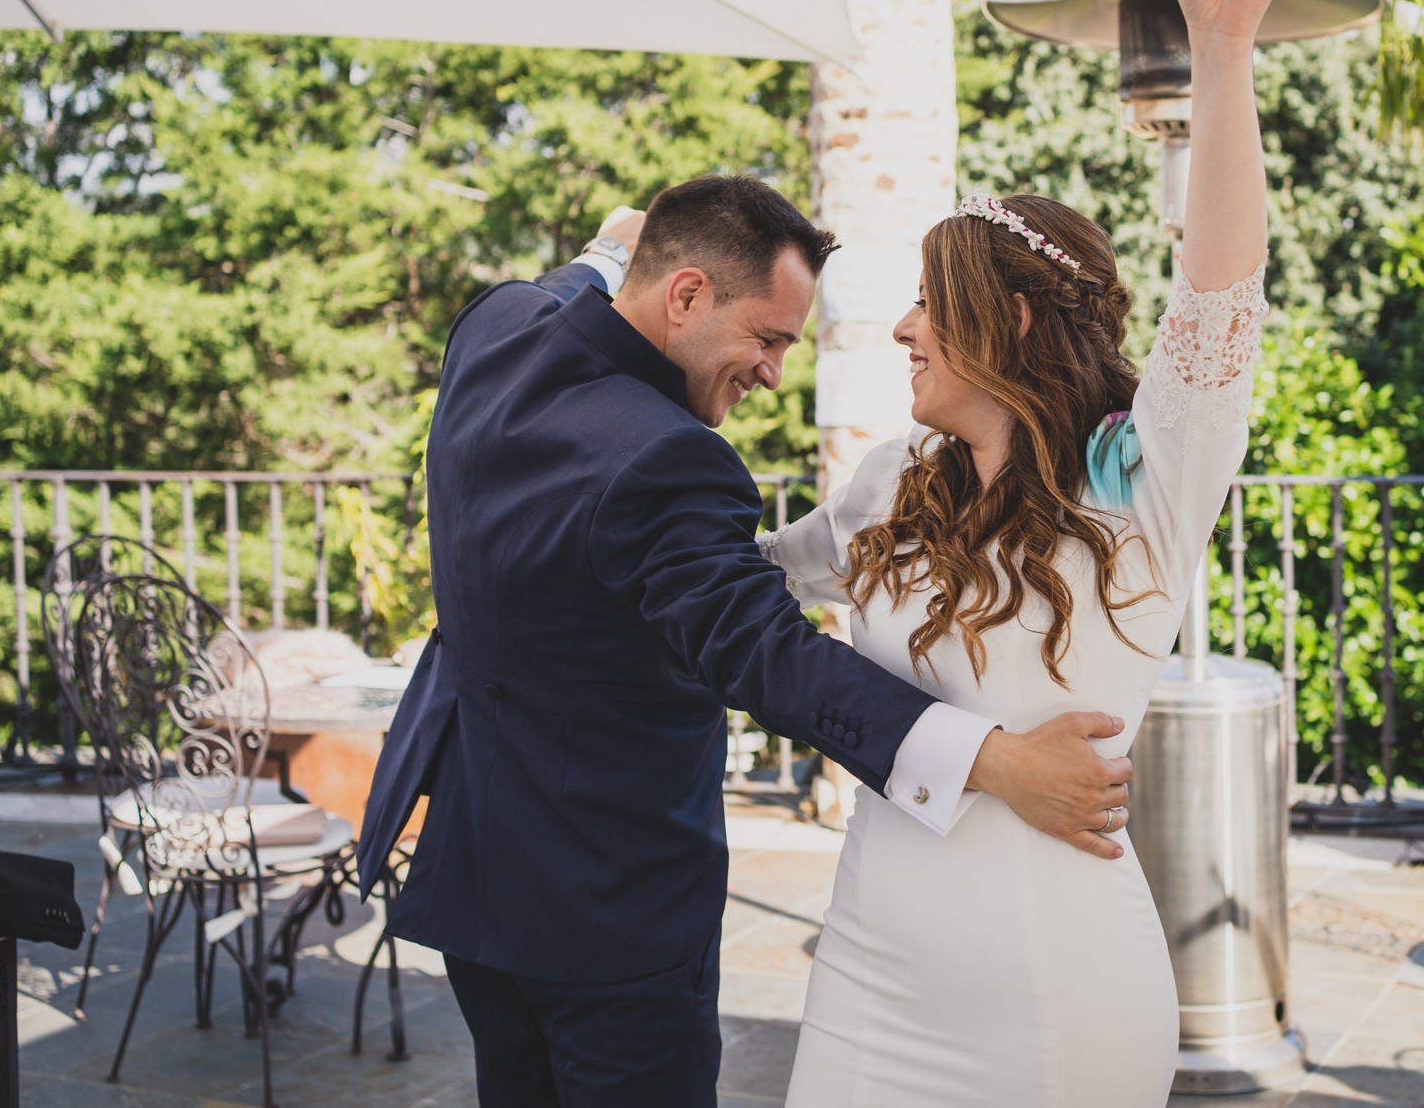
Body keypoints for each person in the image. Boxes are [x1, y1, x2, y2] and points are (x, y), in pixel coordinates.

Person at [356, 180, 1137, 1099]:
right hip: (611, 917)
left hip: (478, 881)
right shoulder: (666, 456)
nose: (770, 371)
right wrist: (995, 761)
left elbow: (592, 271)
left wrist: (615, 244)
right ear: (685, 293)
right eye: (766, 338)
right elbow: (771, 656)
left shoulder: (497, 329)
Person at [769, 0, 1306, 1106]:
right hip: (861, 983)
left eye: (925, 300)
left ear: (1006, 319)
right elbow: (738, 584)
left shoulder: (1145, 477)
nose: (900, 326)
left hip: (1058, 1003)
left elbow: (1217, 287)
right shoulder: (891, 477)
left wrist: (1221, 47)